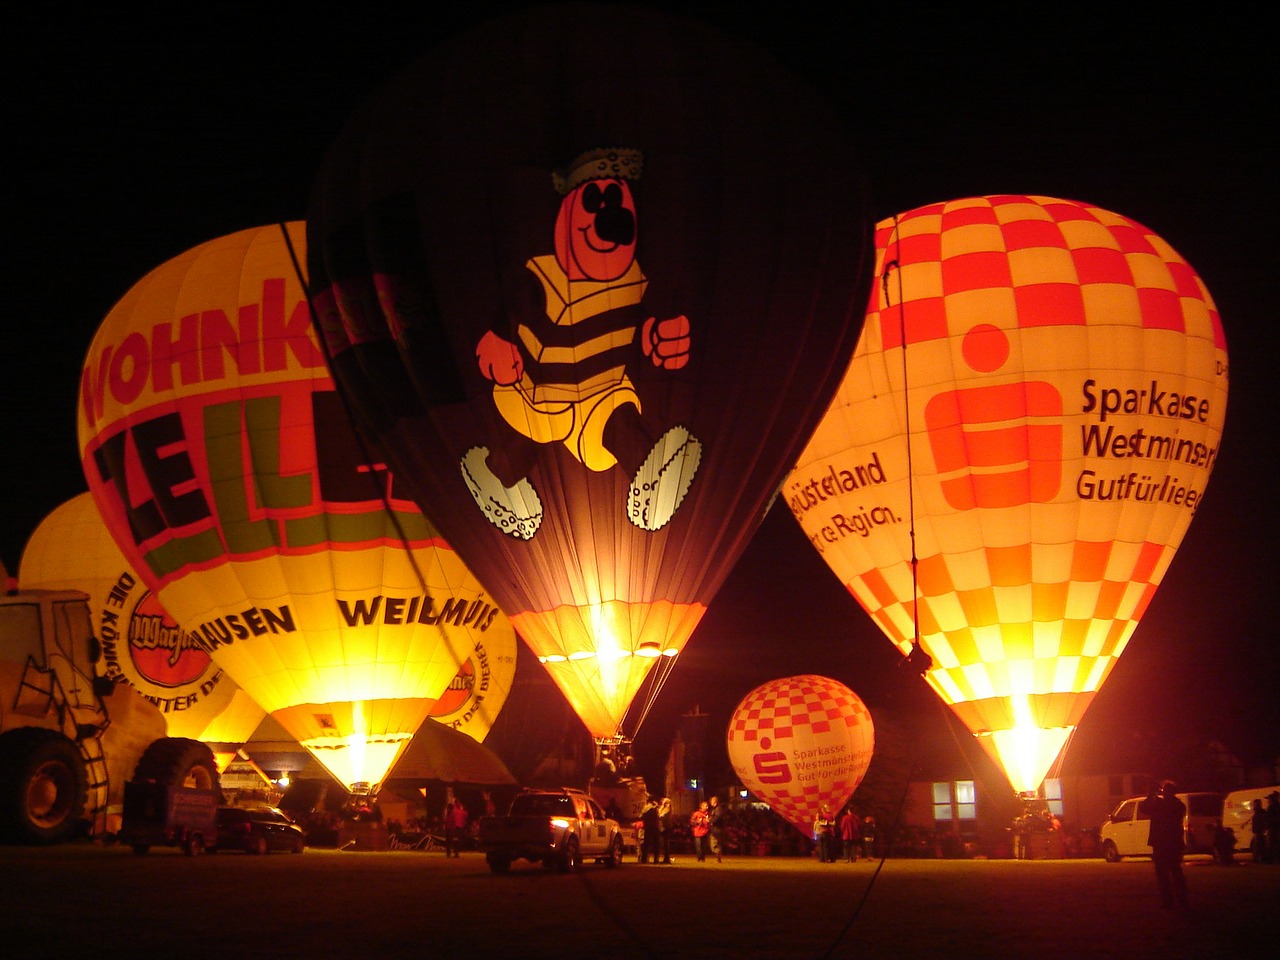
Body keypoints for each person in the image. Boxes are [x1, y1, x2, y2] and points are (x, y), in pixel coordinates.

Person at [1145, 780, 1189, 911]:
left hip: (1161, 843)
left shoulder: (1160, 805)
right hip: (1174, 843)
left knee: (1162, 874)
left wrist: (1150, 794)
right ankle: (1182, 900)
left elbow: (1144, 808)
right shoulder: (1179, 805)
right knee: (1176, 872)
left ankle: (1168, 901)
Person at [639, 796, 661, 863]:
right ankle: (656, 859)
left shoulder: (645, 808)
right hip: (654, 827)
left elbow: (641, 816)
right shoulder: (654, 808)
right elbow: (657, 817)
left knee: (646, 843)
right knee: (656, 843)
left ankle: (644, 859)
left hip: (647, 827)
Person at [707, 795, 725, 863]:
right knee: (716, 843)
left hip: (716, 829)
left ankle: (718, 855)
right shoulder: (716, 809)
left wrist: (711, 821)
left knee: (714, 844)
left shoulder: (718, 809)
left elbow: (717, 817)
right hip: (715, 829)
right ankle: (718, 856)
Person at [1249, 798, 1267, 863]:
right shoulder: (1258, 812)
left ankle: (1258, 859)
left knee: (1258, 846)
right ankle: (1259, 858)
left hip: (1259, 831)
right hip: (1258, 831)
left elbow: (1262, 822)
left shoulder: (1260, 812)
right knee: (1258, 846)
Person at [657, 797, 673, 863]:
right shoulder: (662, 809)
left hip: (666, 828)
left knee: (665, 843)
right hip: (661, 827)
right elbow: (658, 814)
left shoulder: (668, 810)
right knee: (663, 843)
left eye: (668, 803)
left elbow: (665, 819)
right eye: (665, 803)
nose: (666, 804)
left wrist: (663, 826)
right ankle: (665, 858)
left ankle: (667, 858)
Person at [1267, 791, 1280, 864]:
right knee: (1276, 844)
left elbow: (1269, 818)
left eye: (1269, 799)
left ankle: (1272, 860)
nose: (1268, 801)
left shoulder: (1272, 807)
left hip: (1273, 828)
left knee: (1272, 844)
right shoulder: (1277, 806)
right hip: (1275, 828)